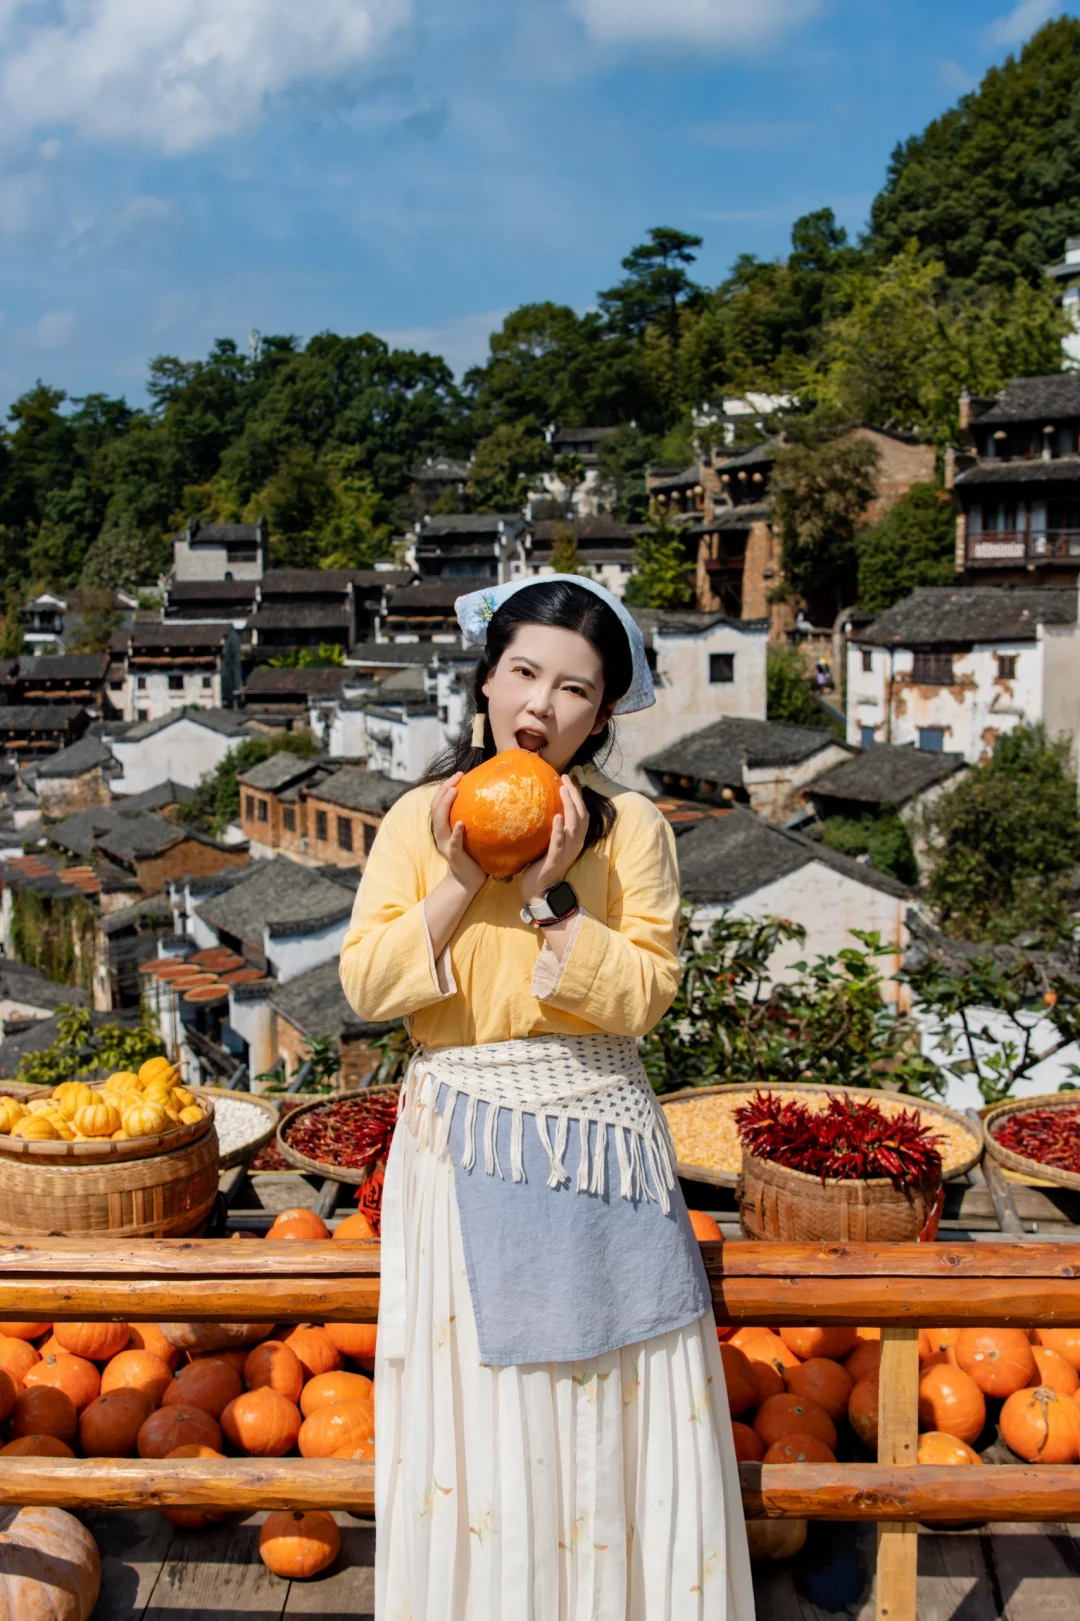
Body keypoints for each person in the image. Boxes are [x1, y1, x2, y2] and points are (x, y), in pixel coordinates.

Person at [339, 575, 754, 1621]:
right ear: (486, 678)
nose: (541, 705)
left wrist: (548, 895)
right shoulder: (413, 821)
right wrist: (457, 875)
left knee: (615, 1416)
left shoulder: (636, 833)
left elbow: (647, 996)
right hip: (461, 1144)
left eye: (575, 689)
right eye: (523, 671)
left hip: (602, 1153)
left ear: (605, 714)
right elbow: (370, 987)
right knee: (479, 1423)